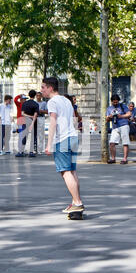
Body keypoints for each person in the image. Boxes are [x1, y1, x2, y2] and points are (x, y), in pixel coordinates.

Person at [42, 77, 84, 213]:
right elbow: (73, 118)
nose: (41, 90)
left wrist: (49, 144)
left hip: (63, 139)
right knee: (72, 171)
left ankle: (77, 202)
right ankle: (75, 201)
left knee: (66, 172)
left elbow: (53, 122)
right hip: (73, 137)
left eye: (43, 87)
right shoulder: (67, 100)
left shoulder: (52, 102)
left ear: (50, 88)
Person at [106, 94, 132, 164]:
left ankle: (125, 159)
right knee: (112, 143)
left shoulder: (123, 106)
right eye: (114, 102)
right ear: (111, 101)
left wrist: (121, 116)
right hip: (115, 127)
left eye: (116, 102)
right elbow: (107, 119)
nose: (115, 103)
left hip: (124, 125)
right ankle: (113, 158)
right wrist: (109, 117)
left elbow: (129, 114)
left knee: (125, 142)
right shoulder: (109, 108)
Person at [16, 90, 39, 157]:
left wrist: (28, 116)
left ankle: (21, 151)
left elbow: (22, 113)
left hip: (25, 120)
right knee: (32, 136)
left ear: (29, 95)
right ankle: (31, 152)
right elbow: (35, 115)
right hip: (33, 121)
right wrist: (32, 119)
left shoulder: (25, 103)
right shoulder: (36, 104)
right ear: (34, 96)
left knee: (24, 136)